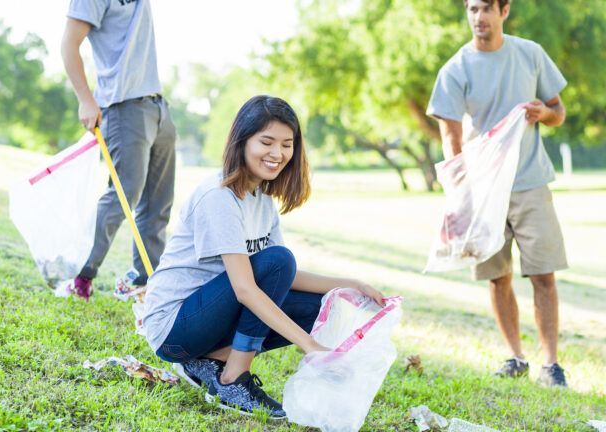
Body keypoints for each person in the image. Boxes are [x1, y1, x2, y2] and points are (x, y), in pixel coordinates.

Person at [142, 95, 385, 417]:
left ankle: (208, 361)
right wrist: (310, 347)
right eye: (267, 142)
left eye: (287, 144)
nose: (278, 154)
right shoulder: (219, 196)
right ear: (242, 141)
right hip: (175, 328)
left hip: (206, 323)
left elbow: (280, 278)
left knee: (320, 307)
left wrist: (348, 285)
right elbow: (247, 286)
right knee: (278, 259)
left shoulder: (261, 199)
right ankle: (232, 377)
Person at [427, 0, 569, 387]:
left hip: (530, 181)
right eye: (472, 9)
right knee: (497, 276)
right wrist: (462, 192)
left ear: (504, 10)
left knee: (543, 274)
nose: (479, 18)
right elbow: (450, 136)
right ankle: (515, 357)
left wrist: (545, 113)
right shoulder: (456, 69)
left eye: (486, 8)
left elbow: (559, 111)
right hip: (484, 190)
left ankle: (551, 364)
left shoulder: (530, 54)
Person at [61, 0, 176, 300]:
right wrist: (86, 99)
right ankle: (80, 274)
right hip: (123, 107)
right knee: (123, 196)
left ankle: (145, 283)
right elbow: (69, 44)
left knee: (158, 205)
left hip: (157, 104)